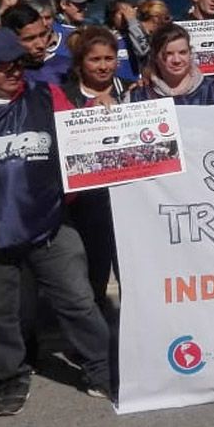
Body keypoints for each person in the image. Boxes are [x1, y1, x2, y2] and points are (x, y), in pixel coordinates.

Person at [0, 28, 113, 415]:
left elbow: (80, 142)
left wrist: (100, 121)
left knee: (78, 301)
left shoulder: (48, 96)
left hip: (51, 226)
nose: (15, 71)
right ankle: (12, 377)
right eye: (3, 65)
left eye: (20, 62)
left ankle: (102, 371)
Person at [59, 27, 130, 324]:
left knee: (132, 278)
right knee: (91, 280)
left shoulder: (132, 90)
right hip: (85, 206)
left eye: (109, 58)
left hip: (127, 206)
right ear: (80, 63)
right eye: (95, 59)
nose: (103, 66)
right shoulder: (64, 96)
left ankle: (136, 340)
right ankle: (92, 344)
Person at [125, 23, 214, 105]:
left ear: (190, 53)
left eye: (183, 52)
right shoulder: (138, 96)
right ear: (155, 57)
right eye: (168, 54)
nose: (177, 60)